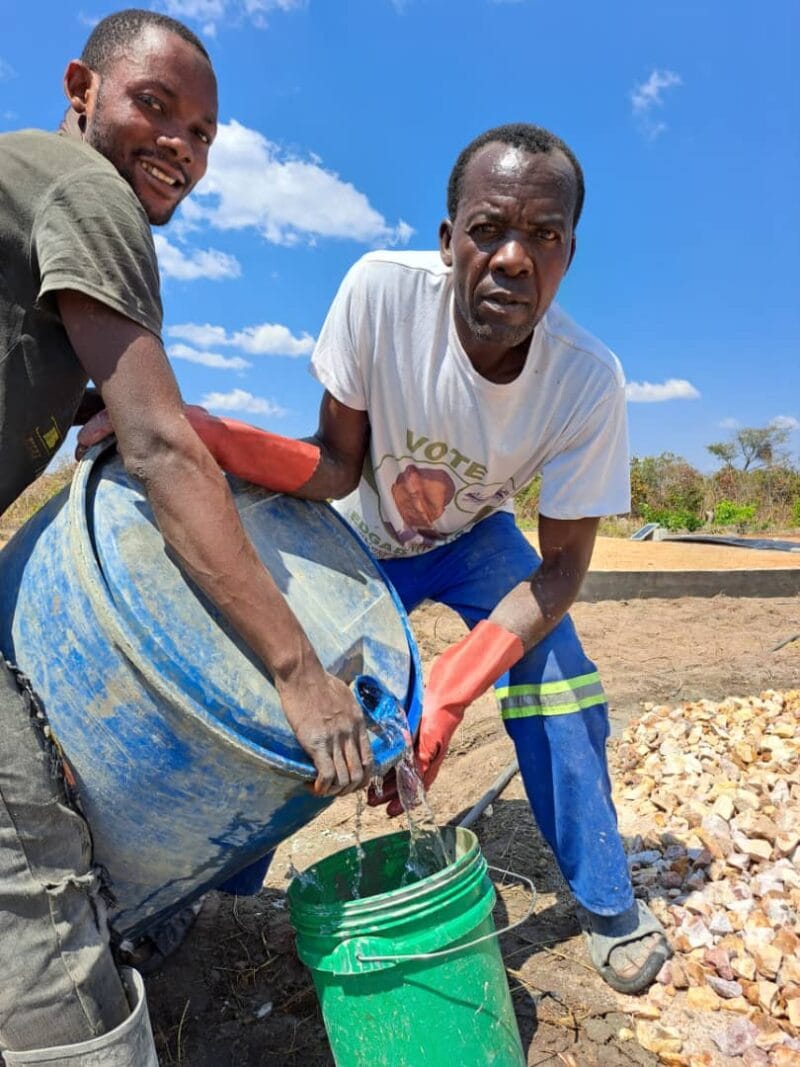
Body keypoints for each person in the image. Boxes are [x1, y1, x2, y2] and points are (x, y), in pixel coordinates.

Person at [94, 122, 671, 996]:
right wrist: (205, 433)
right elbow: (331, 465)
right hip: (356, 531)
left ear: (567, 256)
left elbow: (557, 571)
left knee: (560, 675)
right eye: (488, 229)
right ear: (449, 243)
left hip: (477, 543)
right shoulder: (380, 294)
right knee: (280, 690)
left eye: (542, 236)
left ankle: (606, 898)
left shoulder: (587, 380)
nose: (512, 258)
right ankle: (208, 889)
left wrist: (447, 689)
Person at [0, 9, 372, 1062]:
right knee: (35, 872)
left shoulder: (30, 190)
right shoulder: (87, 191)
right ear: (80, 89)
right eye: (153, 108)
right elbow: (163, 451)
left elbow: (115, 419)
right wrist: (298, 670)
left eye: (203, 134)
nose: (181, 147)